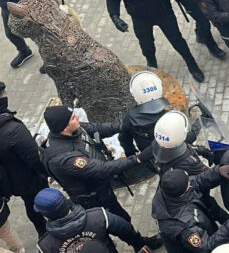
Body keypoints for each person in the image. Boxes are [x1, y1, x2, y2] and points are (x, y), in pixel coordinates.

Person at [41, 106, 152, 226]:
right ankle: (133, 237)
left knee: (123, 218)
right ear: (64, 128)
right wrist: (138, 159)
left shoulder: (73, 128)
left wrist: (123, 126)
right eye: (73, 118)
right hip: (94, 199)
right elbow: (102, 169)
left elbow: (96, 129)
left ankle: (135, 237)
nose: (77, 117)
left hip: (102, 187)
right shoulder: (62, 158)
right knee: (115, 224)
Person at [106, 0, 205, 82]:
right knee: (145, 44)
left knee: (177, 40)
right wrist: (115, 16)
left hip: (163, 13)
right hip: (140, 17)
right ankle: (151, 63)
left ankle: (191, 63)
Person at [34, 188, 160, 252]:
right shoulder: (97, 216)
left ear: (45, 215)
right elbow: (125, 229)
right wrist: (139, 244)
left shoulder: (45, 245)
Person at [152, 167, 229, 251]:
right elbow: (206, 246)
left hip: (202, 223)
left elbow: (197, 180)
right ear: (182, 193)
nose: (190, 183)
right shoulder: (184, 228)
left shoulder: (167, 190)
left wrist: (217, 171)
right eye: (188, 184)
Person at [0, 81, 48, 235]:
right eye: (3, 94)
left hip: (10, 180)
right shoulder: (12, 130)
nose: (6, 95)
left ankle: (41, 230)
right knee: (40, 202)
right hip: (28, 178)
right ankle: (47, 229)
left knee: (29, 202)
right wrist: (47, 171)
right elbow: (34, 157)